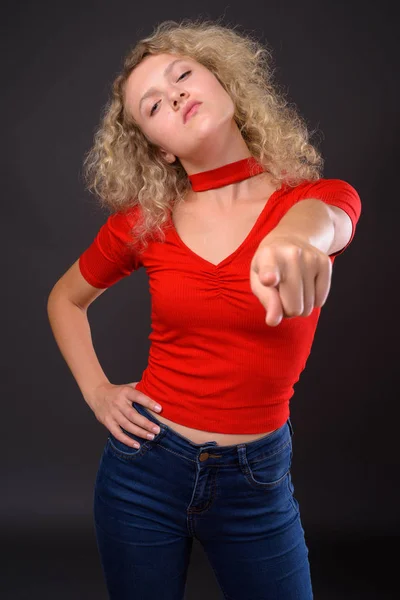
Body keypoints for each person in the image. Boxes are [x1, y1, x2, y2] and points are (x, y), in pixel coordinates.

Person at [47, 18, 361, 600]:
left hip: (257, 482)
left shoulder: (312, 201)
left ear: (223, 82)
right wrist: (98, 392)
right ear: (160, 149)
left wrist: (296, 241)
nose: (176, 95)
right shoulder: (146, 225)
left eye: (183, 75)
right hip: (143, 470)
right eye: (154, 105)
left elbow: (329, 220)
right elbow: (64, 299)